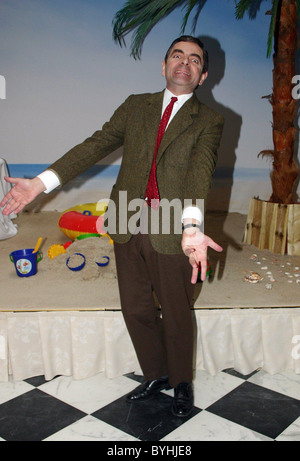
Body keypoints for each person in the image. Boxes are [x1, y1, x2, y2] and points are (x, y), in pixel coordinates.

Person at [1, 36, 224, 417]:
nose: (184, 63)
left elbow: (199, 175)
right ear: (163, 65)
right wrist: (40, 183)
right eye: (177, 56)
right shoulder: (136, 106)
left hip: (172, 225)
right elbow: (95, 145)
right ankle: (155, 374)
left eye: (194, 60)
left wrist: (191, 226)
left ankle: (182, 382)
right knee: (135, 307)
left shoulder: (209, 120)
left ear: (202, 76)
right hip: (125, 220)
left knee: (175, 308)